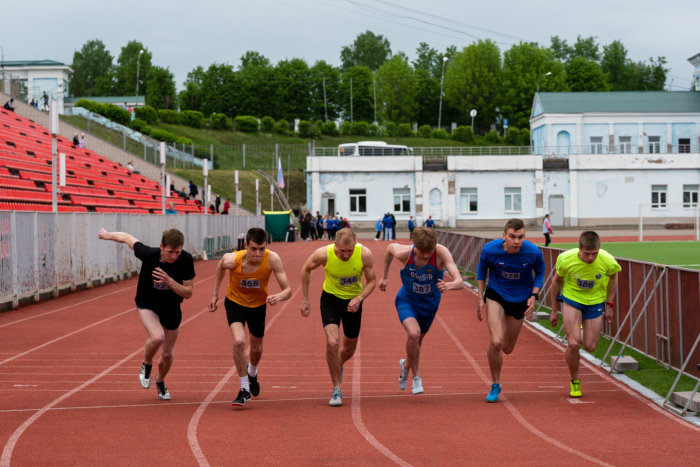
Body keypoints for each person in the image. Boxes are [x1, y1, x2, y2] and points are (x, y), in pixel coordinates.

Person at [97, 227, 195, 401]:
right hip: (147, 303)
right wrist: (108, 236)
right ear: (161, 247)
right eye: (170, 252)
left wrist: (169, 281)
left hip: (171, 307)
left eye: (177, 252)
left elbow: (188, 293)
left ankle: (160, 381)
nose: (173, 256)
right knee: (157, 337)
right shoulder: (148, 253)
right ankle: (146, 365)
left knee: (167, 354)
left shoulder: (185, 260)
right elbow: (128, 237)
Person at [209, 227, 292, 406]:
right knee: (239, 341)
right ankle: (244, 388)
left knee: (256, 349)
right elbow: (220, 266)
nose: (257, 253)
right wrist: (215, 294)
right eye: (253, 248)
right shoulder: (232, 259)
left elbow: (288, 290)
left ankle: (252, 372)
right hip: (235, 303)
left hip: (258, 306)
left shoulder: (272, 259)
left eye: (262, 249)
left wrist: (277, 296)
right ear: (246, 245)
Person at [378, 227, 463, 394]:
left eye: (429, 252)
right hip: (407, 300)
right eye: (422, 251)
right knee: (414, 334)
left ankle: (406, 365)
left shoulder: (441, 253)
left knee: (417, 342)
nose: (426, 255)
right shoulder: (404, 253)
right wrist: (385, 276)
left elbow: (459, 280)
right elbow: (389, 249)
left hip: (429, 305)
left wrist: (449, 285)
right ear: (414, 245)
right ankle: (416, 376)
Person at [300, 228, 376, 406]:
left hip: (353, 302)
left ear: (355, 246)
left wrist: (359, 298)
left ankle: (338, 363)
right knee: (333, 342)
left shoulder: (364, 254)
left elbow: (372, 281)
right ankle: (336, 389)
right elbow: (305, 269)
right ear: (335, 244)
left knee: (349, 350)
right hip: (331, 300)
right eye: (342, 251)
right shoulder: (323, 254)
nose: (346, 255)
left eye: (350, 251)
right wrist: (305, 299)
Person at [476, 218, 545, 403]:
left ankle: (493, 350)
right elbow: (482, 270)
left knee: (506, 348)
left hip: (520, 298)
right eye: (512, 237)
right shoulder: (490, 250)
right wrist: (480, 298)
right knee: (496, 341)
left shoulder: (532, 252)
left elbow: (540, 272)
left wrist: (534, 295)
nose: (516, 242)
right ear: (504, 235)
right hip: (496, 294)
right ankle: (496, 384)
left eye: (520, 237)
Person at [549, 231, 620, 398]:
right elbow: (556, 281)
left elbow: (614, 278)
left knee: (589, 346)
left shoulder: (607, 260)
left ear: (599, 249)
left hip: (595, 301)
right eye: (587, 253)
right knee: (573, 345)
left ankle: (577, 330)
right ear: (579, 248)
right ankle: (575, 381)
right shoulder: (566, 258)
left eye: (594, 253)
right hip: (572, 298)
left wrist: (609, 305)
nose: (590, 258)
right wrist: (554, 309)